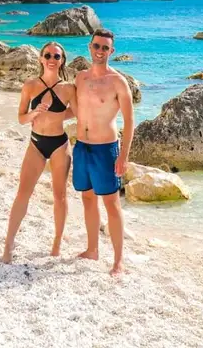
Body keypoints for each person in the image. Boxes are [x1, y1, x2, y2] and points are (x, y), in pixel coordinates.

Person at [1, 41, 75, 264]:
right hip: (36, 143)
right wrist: (35, 113)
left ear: (62, 61)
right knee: (23, 193)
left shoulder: (69, 88)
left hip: (60, 145)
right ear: (41, 59)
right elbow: (21, 118)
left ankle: (56, 243)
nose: (52, 59)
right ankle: (8, 245)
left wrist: (57, 116)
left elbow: (78, 112)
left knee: (59, 196)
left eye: (57, 56)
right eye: (48, 55)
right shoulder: (30, 86)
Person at [70, 28, 135, 275]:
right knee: (87, 198)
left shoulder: (118, 82)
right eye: (96, 46)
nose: (99, 51)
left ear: (112, 51)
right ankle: (92, 250)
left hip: (106, 149)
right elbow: (75, 109)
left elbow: (129, 122)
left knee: (112, 204)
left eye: (105, 48)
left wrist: (123, 156)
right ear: (89, 47)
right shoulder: (80, 78)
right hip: (82, 147)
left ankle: (118, 261)